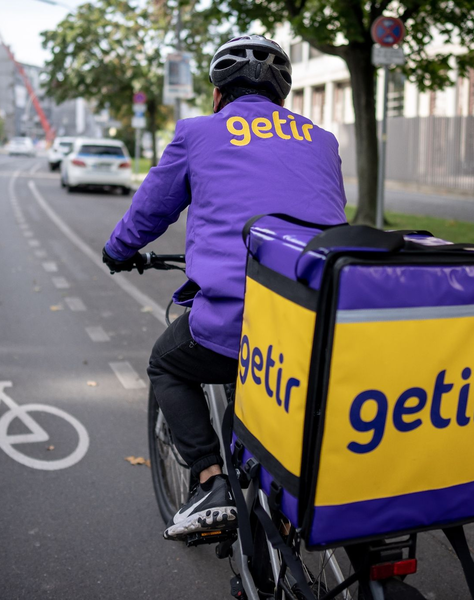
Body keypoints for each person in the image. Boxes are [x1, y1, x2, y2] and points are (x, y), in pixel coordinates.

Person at [102, 35, 347, 540]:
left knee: (166, 363)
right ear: (283, 97)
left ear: (217, 95)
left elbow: (151, 210)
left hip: (238, 320)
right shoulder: (322, 140)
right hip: (319, 317)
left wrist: (118, 250)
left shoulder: (199, 132)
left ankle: (211, 479)